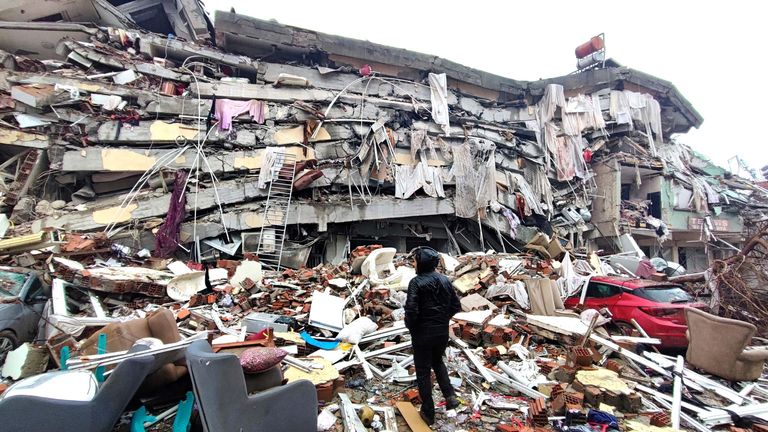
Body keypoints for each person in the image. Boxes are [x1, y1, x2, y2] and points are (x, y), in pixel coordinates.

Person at [404, 246, 461, 425]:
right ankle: (450, 396)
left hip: (422, 333)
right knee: (438, 362)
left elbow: (412, 310)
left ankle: (428, 411)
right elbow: (456, 306)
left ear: (421, 263)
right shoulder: (444, 280)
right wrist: (442, 319)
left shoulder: (416, 282)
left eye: (415, 261)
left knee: (422, 371)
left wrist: (411, 326)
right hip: (441, 332)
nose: (414, 264)